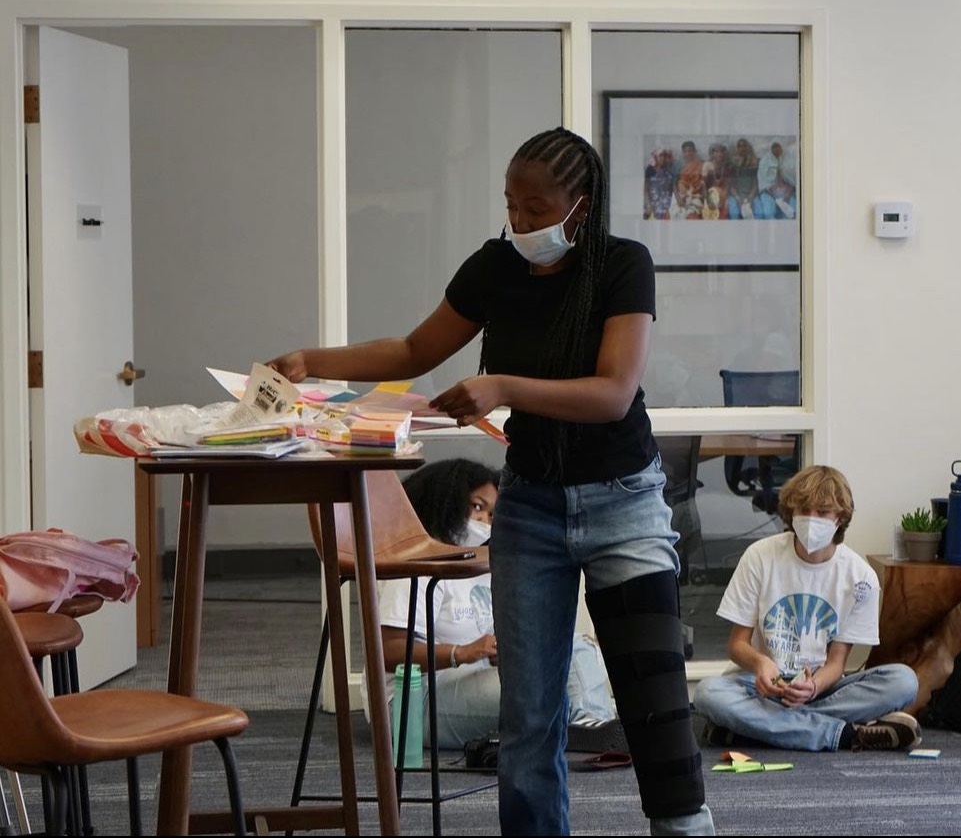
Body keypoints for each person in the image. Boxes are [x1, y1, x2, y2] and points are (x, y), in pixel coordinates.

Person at [268, 126, 714, 836]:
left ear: (582, 203)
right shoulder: (496, 267)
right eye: (511, 205)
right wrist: (311, 360)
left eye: (537, 208)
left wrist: (501, 385)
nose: (521, 223)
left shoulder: (623, 265)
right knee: (529, 714)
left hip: (622, 501)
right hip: (531, 506)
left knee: (653, 706)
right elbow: (415, 349)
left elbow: (612, 394)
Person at [366, 458, 624, 753]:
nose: (486, 523)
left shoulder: (481, 564)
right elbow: (389, 651)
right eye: (477, 507)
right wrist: (462, 653)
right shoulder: (416, 567)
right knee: (541, 689)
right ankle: (583, 726)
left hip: (471, 682)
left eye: (492, 514)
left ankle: (590, 727)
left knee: (575, 647)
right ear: (444, 503)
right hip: (415, 701)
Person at [693, 465, 921, 753]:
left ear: (840, 517)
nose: (811, 520)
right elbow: (737, 645)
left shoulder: (860, 577)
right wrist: (761, 664)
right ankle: (845, 735)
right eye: (804, 511)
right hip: (760, 688)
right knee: (708, 693)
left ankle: (751, 729)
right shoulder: (760, 556)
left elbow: (836, 664)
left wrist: (813, 687)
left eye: (823, 512)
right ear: (791, 513)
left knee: (903, 681)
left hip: (822, 691)